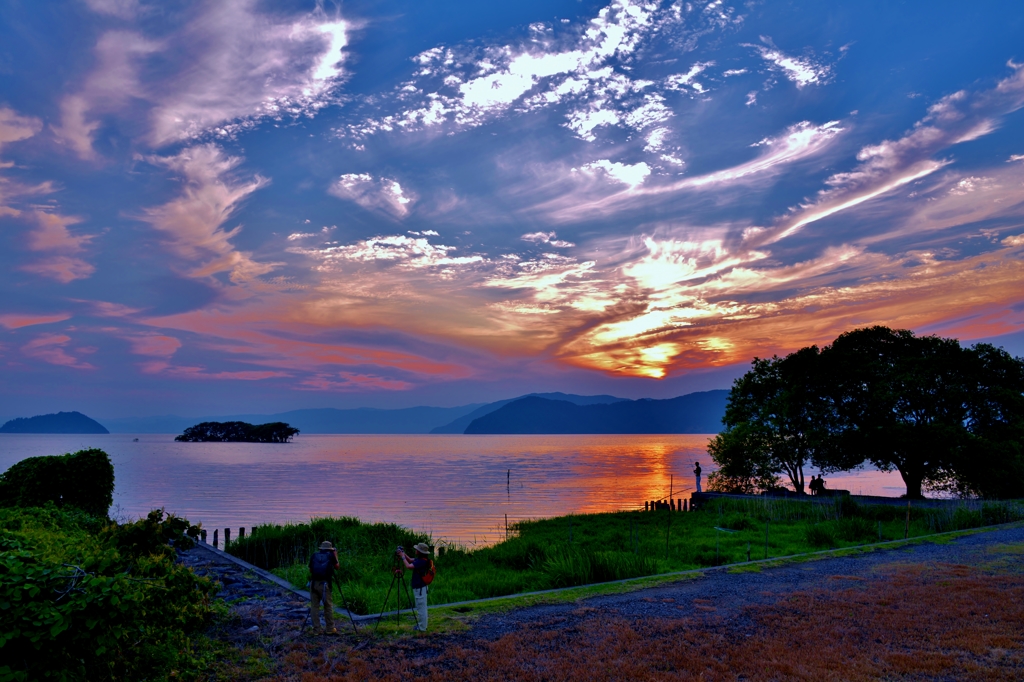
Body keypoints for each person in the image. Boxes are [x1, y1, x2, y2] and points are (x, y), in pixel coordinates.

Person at [398, 542, 432, 632]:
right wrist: (403, 553)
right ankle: (422, 626)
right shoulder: (422, 560)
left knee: (421, 609)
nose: (415, 550)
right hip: (421, 588)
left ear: (419, 552)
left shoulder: (421, 561)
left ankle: (422, 628)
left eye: (417, 549)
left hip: (420, 588)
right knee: (422, 607)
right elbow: (410, 560)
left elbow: (409, 566)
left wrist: (402, 556)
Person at [308, 540, 340, 635]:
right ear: (330, 549)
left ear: (321, 548)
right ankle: (330, 628)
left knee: (314, 606)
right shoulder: (331, 555)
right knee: (328, 606)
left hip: (313, 583)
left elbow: (310, 569)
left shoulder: (314, 555)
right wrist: (335, 554)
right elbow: (337, 567)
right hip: (325, 585)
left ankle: (316, 630)